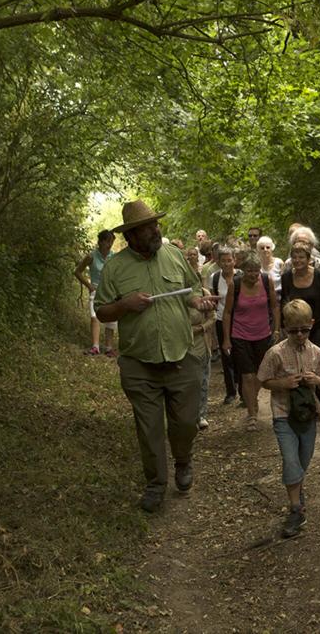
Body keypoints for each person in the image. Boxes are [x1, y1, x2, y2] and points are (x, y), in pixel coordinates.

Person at [94, 200, 217, 513]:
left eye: (155, 224)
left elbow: (190, 291)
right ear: (132, 235)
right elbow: (101, 309)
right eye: (148, 227)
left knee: (186, 423)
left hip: (181, 355)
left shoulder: (174, 256)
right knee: (149, 429)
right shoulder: (116, 267)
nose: (155, 230)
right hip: (139, 363)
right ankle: (156, 484)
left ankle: (184, 461)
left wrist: (198, 303)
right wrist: (125, 305)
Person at [258, 300, 320, 538]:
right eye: (293, 330)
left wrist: (318, 381)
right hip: (283, 415)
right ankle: (295, 509)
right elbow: (263, 380)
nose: (299, 335)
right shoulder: (276, 353)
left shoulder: (317, 353)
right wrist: (283, 383)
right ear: (285, 328)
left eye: (304, 330)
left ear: (311, 325)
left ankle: (297, 489)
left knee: (303, 459)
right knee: (291, 461)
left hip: (308, 416)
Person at [222, 251, 280, 430]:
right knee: (247, 375)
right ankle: (252, 414)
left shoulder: (266, 280)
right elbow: (228, 312)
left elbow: (274, 306)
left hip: (263, 334)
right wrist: (226, 339)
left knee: (260, 375)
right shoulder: (235, 285)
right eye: (249, 271)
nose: (254, 274)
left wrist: (277, 329)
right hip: (240, 336)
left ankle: (251, 400)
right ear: (242, 270)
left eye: (256, 270)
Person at [74, 229, 117, 356]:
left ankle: (109, 348)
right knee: (94, 316)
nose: (109, 245)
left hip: (111, 291)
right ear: (100, 242)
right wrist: (89, 285)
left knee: (112, 318)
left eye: (112, 242)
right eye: (107, 241)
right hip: (96, 290)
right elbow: (77, 272)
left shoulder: (114, 257)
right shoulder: (91, 256)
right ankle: (95, 346)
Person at [208, 247, 242, 404]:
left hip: (242, 320)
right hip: (222, 320)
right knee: (226, 354)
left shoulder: (241, 276)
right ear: (218, 262)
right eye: (224, 261)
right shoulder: (214, 278)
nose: (227, 264)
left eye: (230, 260)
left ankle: (243, 390)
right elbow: (212, 298)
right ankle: (230, 392)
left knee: (241, 354)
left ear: (234, 260)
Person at [189, 284, 216, 430]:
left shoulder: (204, 293)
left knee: (203, 380)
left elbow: (212, 317)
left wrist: (202, 328)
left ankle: (201, 415)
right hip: (183, 345)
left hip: (203, 342)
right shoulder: (178, 297)